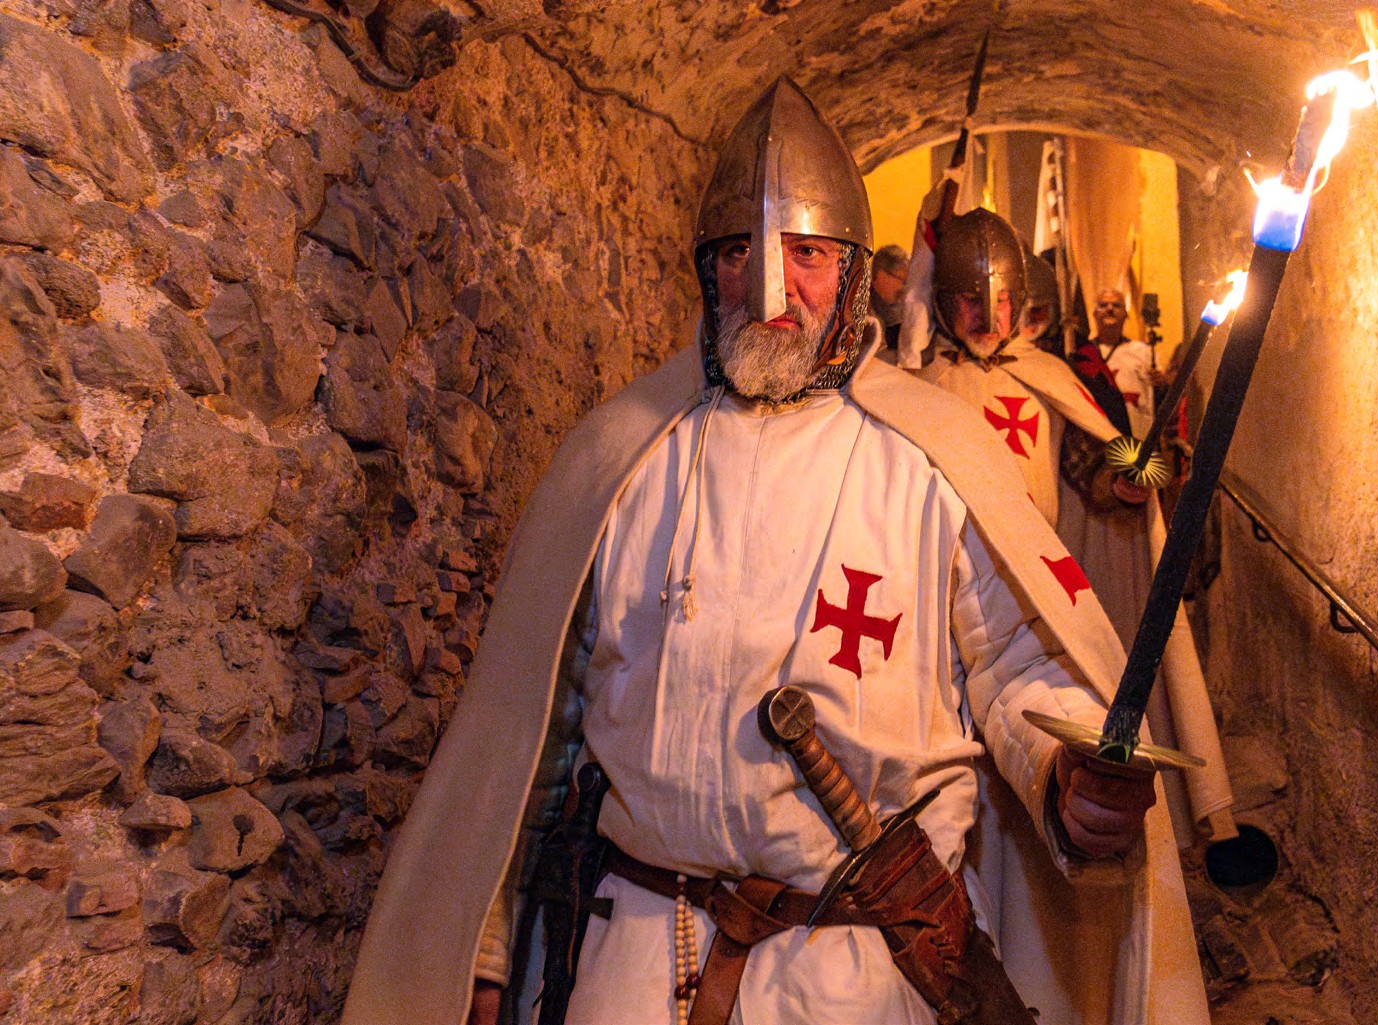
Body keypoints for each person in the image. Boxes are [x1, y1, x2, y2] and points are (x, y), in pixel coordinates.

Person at [340, 78, 1211, 1025]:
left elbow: (1017, 664)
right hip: (631, 950)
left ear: (845, 269)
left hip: (856, 969)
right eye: (739, 254)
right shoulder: (622, 457)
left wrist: (1066, 773)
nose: (771, 288)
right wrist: (490, 939)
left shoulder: (929, 455)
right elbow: (540, 727)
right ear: (702, 268)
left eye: (802, 255)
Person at [910, 208, 1236, 865]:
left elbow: (1089, 463)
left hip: (1037, 598)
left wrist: (1126, 486)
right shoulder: (914, 387)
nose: (989, 318)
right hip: (946, 601)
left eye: (1003, 301)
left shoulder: (1049, 375)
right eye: (971, 301)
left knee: (1046, 752)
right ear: (944, 302)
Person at [1070, 290, 1158, 438]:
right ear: (1094, 314)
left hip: (1139, 437)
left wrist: (1163, 383)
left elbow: (1155, 397)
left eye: (1116, 305)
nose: (1110, 309)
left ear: (1125, 314)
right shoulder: (1084, 355)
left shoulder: (1144, 352)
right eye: (1103, 305)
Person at [869, 243, 910, 358]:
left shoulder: (906, 304)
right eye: (901, 279)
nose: (904, 287)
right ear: (881, 275)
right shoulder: (858, 303)